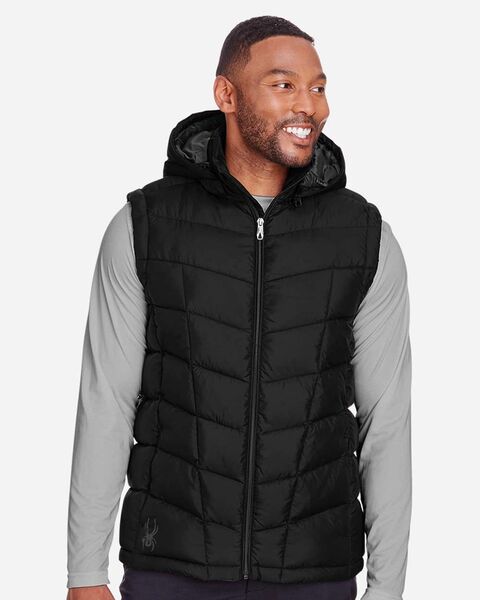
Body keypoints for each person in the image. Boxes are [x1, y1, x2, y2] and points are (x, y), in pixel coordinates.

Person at [66, 15, 412, 600]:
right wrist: (85, 574)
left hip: (314, 574)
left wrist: (388, 589)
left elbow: (387, 423)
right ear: (226, 94)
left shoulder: (364, 237)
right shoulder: (145, 227)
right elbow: (107, 405)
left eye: (318, 87)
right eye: (283, 85)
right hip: (170, 569)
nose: (309, 105)